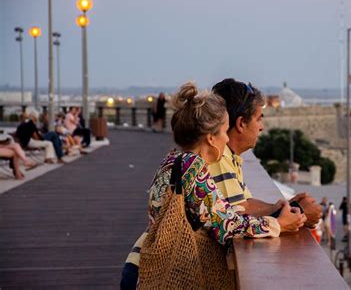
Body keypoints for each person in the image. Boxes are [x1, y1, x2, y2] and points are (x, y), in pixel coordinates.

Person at [120, 82, 306, 289]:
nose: (227, 139)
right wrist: (277, 225)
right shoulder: (194, 169)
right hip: (162, 273)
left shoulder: (173, 159)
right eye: (225, 131)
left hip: (143, 264)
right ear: (210, 138)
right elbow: (226, 225)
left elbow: (216, 214)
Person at [210, 78, 322, 225]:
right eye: (258, 120)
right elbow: (238, 218)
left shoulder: (230, 155)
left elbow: (246, 204)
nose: (261, 127)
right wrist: (300, 212)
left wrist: (285, 207)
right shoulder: (218, 157)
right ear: (241, 123)